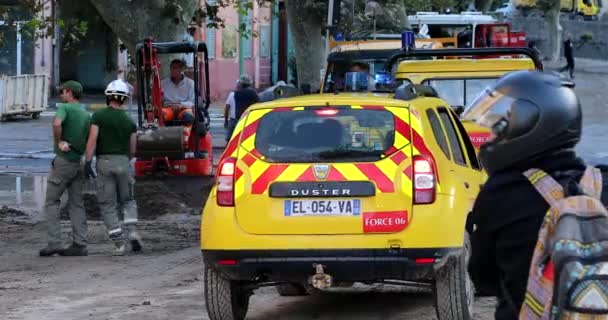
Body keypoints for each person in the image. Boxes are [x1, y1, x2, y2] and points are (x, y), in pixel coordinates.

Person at [462, 71, 608, 320]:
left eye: (503, 127)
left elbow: (483, 279)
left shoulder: (500, 192)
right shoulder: (603, 183)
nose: (495, 136)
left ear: (531, 125)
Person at [84, 79, 141, 256]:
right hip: (123, 162)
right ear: (124, 99)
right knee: (128, 200)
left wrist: (87, 161)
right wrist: (125, 160)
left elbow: (92, 140)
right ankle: (132, 231)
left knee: (107, 204)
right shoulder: (129, 121)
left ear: (108, 97)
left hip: (104, 163)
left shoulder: (99, 116)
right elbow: (133, 149)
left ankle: (118, 244)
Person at [40, 80, 90, 257]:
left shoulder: (65, 108)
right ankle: (80, 243)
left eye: (62, 91)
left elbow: (56, 123)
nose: (61, 94)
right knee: (76, 203)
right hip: (78, 161)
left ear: (69, 92)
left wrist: (59, 141)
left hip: (64, 162)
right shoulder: (85, 113)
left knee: (52, 201)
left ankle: (54, 243)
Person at [161, 59, 196, 148]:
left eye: (175, 68)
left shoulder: (190, 84)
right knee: (160, 115)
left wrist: (180, 105)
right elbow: (160, 100)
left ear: (181, 70)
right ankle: (163, 141)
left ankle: (184, 142)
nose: (172, 70)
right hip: (169, 108)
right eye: (171, 68)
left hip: (184, 108)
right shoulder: (163, 83)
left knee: (188, 116)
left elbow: (192, 102)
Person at [225, 74, 259, 141]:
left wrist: (226, 120)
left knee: (231, 140)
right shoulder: (254, 94)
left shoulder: (234, 94)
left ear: (240, 84)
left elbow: (227, 108)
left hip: (236, 120)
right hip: (250, 120)